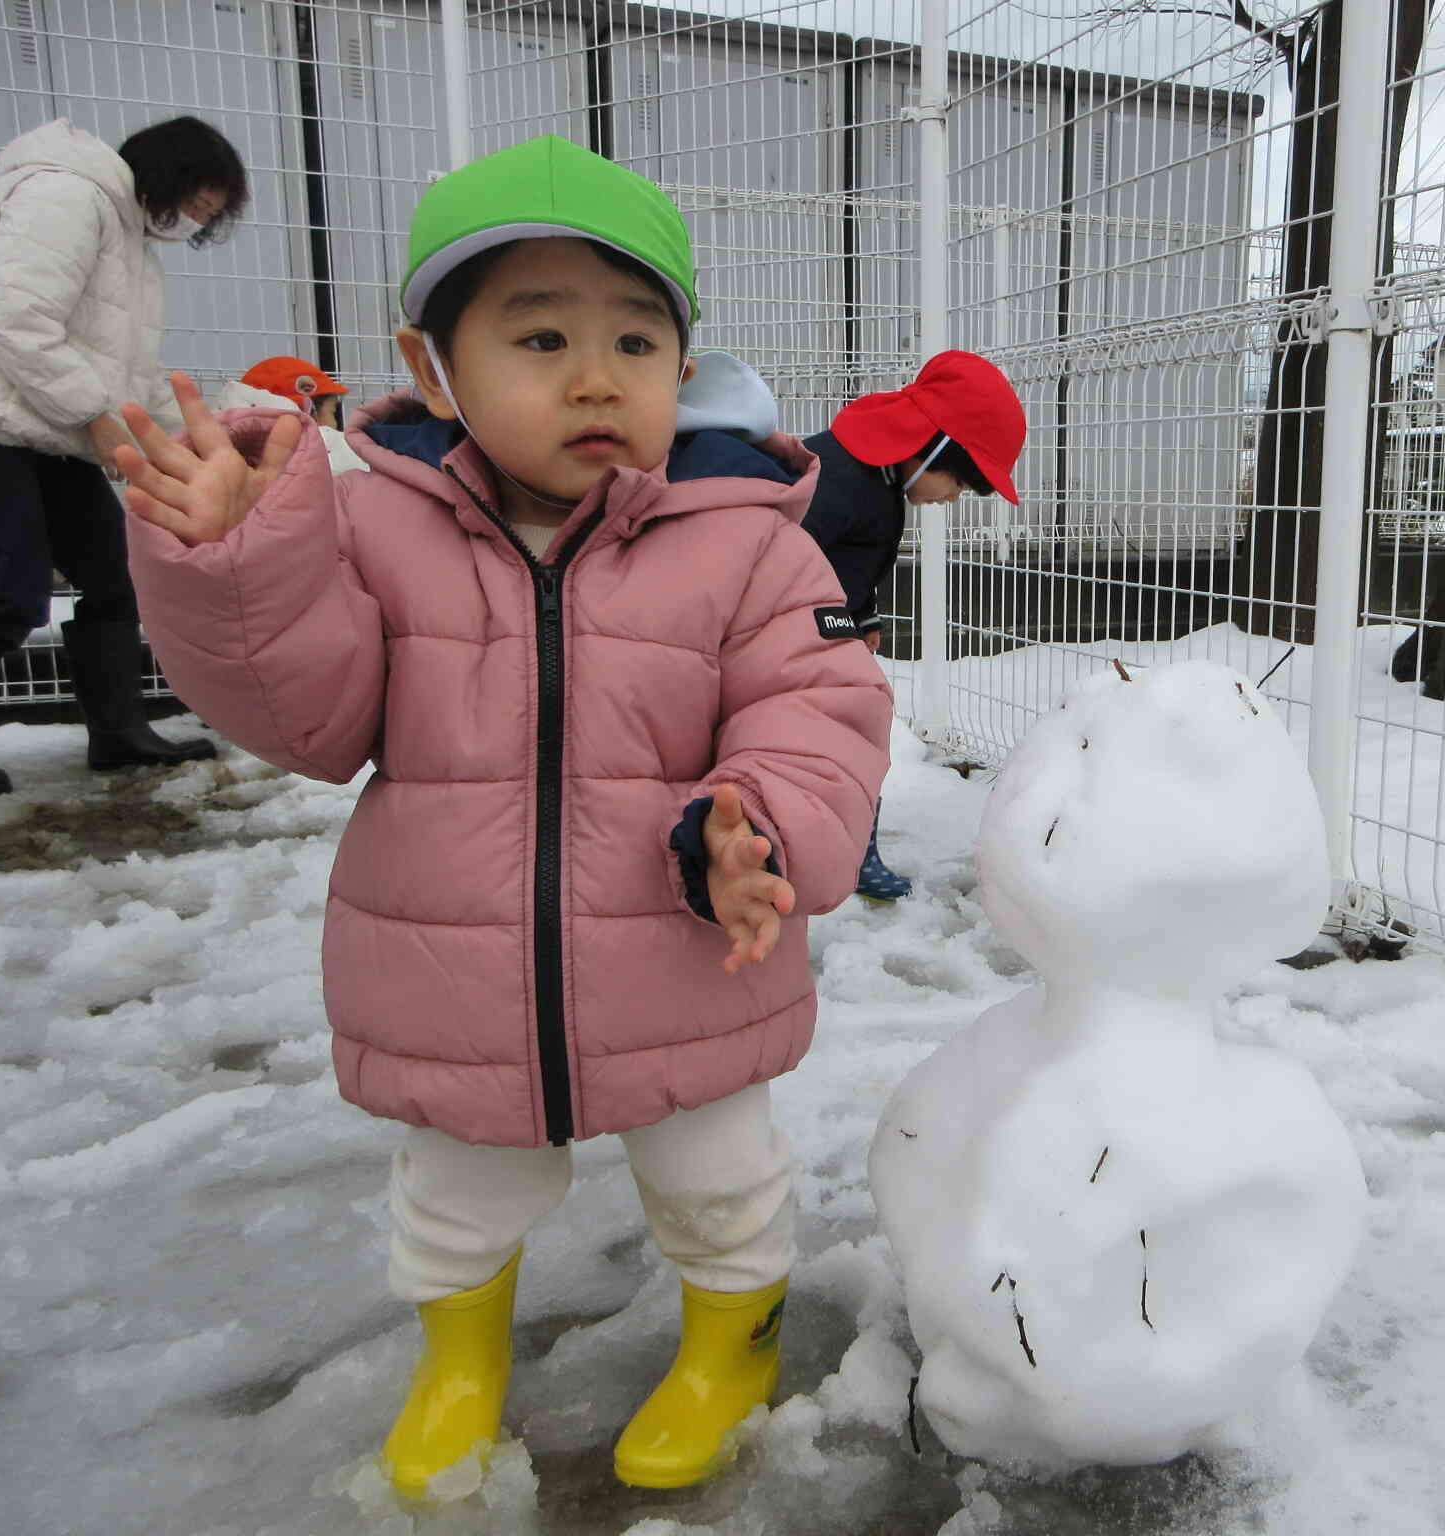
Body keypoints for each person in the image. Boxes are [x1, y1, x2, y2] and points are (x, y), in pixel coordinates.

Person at [112, 136, 891, 1498]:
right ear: (433, 371)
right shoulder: (373, 530)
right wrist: (243, 564)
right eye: (539, 337)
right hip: (452, 968)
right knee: (456, 1199)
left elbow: (820, 709)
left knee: (719, 1176)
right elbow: (312, 720)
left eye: (638, 341)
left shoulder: (750, 536)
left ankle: (732, 1342)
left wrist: (754, 821)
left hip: (689, 954)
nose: (596, 377)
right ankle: (459, 1360)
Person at [0, 115, 248, 796]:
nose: (194, 224)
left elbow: (125, 380)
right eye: (195, 206)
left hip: (47, 429)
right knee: (5, 593)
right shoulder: (68, 196)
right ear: (167, 175)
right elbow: (10, 316)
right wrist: (97, 421)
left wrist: (217, 437)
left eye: (207, 217)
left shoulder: (131, 243)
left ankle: (117, 734)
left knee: (114, 577)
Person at [801, 350, 1025, 899]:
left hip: (833, 635)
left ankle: (852, 846)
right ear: (935, 448)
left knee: (864, 737)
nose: (951, 499)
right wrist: (831, 627)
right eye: (960, 483)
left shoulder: (879, 479)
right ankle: (821, 849)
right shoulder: (834, 480)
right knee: (823, 748)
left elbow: (855, 560)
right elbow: (788, 566)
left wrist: (864, 613)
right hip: (796, 646)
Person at [218, 356, 368, 474]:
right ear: (308, 410)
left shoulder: (221, 454)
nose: (335, 423)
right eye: (333, 412)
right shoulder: (333, 459)